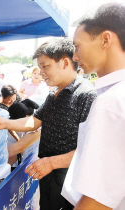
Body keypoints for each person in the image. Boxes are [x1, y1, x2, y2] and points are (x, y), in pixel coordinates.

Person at [0, 39, 97, 210]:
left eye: (45, 66)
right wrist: (4, 123)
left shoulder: (86, 96)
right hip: (47, 172)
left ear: (64, 62)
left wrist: (52, 163)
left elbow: (90, 150)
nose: (41, 73)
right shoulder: (53, 94)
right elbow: (34, 121)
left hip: (68, 176)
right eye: (40, 68)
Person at [61, 3, 125, 209]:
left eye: (77, 46)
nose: (75, 56)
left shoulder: (111, 102)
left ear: (105, 39)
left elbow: (97, 200)